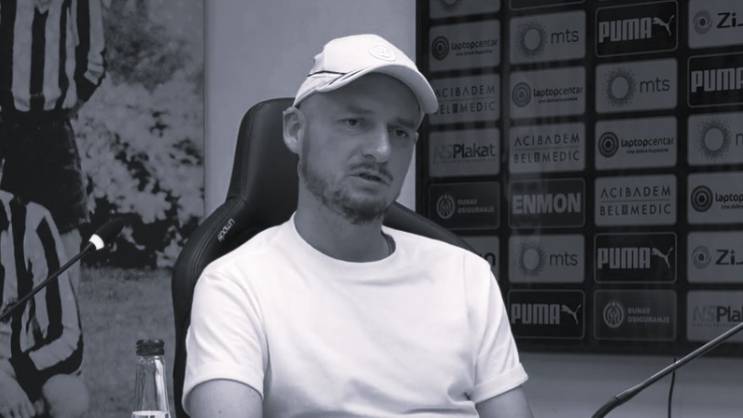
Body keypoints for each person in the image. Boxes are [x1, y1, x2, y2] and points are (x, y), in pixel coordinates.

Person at [184, 34, 533, 418]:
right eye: (354, 122)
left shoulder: (466, 276)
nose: (381, 151)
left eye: (399, 132)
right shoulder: (235, 285)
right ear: (295, 130)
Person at [0, 0, 106, 293]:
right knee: (6, 227)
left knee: (65, 228)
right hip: (6, 122)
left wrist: (64, 107)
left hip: (52, 129)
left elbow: (94, 59)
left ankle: (66, 317)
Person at [0, 191, 88, 418]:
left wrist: (8, 373)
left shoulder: (31, 221)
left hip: (12, 375)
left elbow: (68, 339)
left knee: (68, 395)